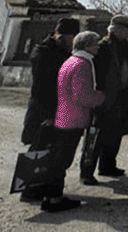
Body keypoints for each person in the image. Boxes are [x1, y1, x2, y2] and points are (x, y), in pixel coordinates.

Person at [41, 30, 105, 213]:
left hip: (63, 114)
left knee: (58, 158)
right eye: (95, 43)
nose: (98, 46)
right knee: (62, 160)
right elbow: (83, 96)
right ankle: (54, 198)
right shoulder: (83, 65)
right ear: (86, 46)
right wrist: (101, 97)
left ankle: (51, 194)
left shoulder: (70, 61)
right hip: (74, 117)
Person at [19, 17, 80, 202]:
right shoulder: (44, 53)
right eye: (73, 36)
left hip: (56, 109)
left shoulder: (59, 51)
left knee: (50, 150)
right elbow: (41, 87)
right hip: (45, 110)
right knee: (46, 150)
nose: (74, 41)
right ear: (65, 35)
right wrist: (48, 115)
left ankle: (38, 190)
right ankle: (42, 192)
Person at [80, 15, 128, 184]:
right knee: (95, 136)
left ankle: (107, 166)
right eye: (127, 29)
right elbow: (95, 73)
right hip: (104, 98)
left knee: (115, 134)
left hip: (121, 97)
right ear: (117, 30)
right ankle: (86, 172)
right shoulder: (104, 47)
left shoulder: (125, 47)